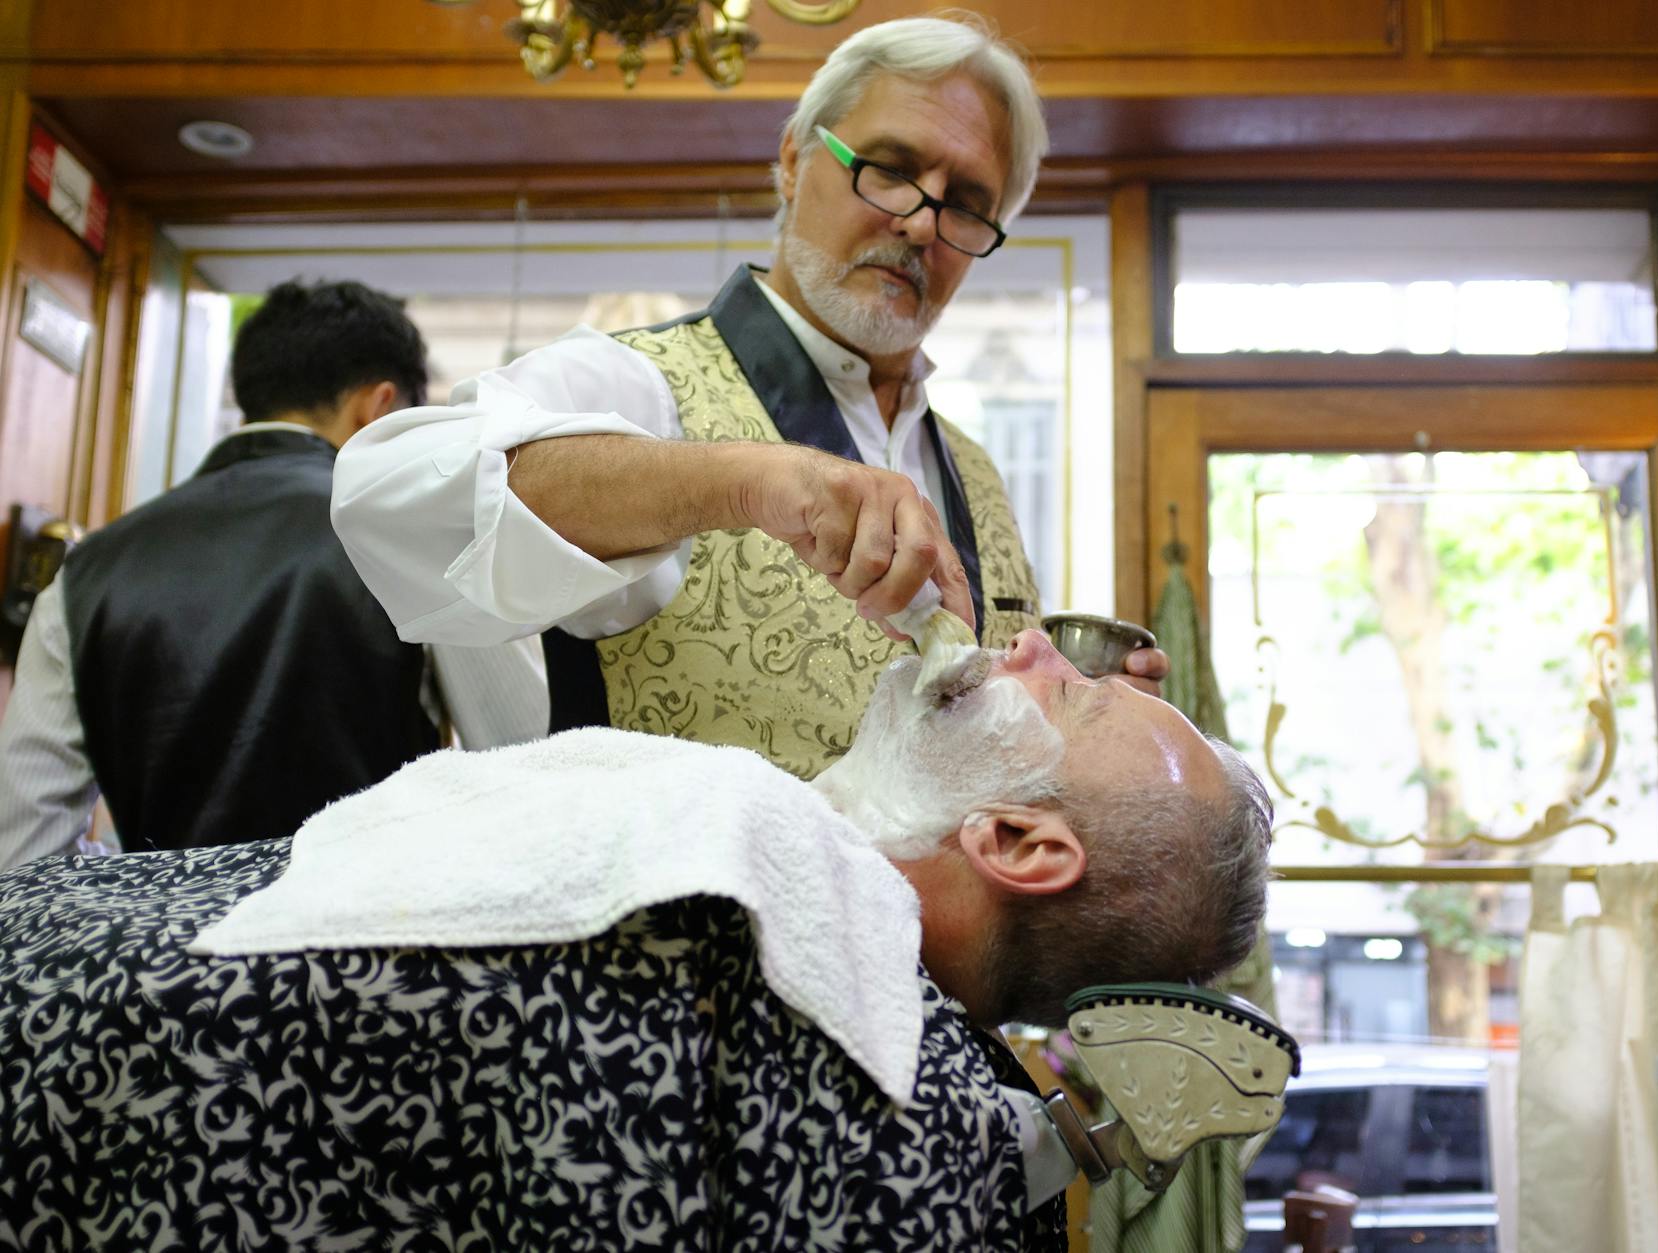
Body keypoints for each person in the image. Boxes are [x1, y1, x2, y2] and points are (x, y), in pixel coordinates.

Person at [0, 630, 1269, 1251]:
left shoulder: (819, 1034)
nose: (1040, 642)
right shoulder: (782, 917)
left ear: (1020, 844)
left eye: (1073, 694)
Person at [329, 14, 1168, 782]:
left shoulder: (977, 473)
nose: (920, 222)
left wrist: (1075, 704)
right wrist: (740, 481)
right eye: (890, 169)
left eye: (966, 205)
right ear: (797, 158)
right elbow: (388, 501)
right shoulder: (635, 385)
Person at [0, 280, 548, 870]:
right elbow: (529, 768)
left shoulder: (87, 573)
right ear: (378, 407)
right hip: (374, 947)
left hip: (170, 957)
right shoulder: (415, 534)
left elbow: (23, 851)